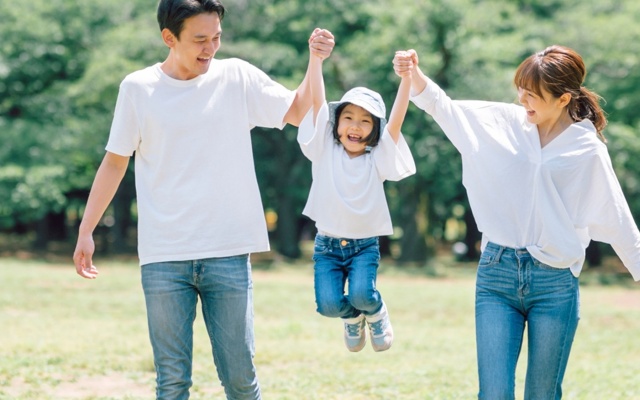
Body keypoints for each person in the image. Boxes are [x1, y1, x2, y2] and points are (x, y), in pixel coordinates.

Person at [72, 0, 334, 398]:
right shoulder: (138, 88)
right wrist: (86, 229)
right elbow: (114, 162)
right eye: (199, 40)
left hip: (227, 251)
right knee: (172, 381)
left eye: (216, 38)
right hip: (164, 255)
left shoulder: (236, 76)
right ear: (168, 37)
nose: (210, 48)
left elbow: (298, 111)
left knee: (241, 381)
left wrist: (314, 62)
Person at [393, 46, 640, 398]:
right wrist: (413, 74)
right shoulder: (503, 121)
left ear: (563, 98)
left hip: (554, 282)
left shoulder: (587, 149)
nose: (522, 100)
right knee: (493, 393)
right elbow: (444, 108)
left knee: (542, 393)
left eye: (532, 95)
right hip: (497, 274)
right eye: (520, 90)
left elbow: (617, 218)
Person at [299, 32, 416, 353]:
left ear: (374, 130)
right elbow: (316, 101)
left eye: (365, 121)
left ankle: (376, 313)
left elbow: (396, 119)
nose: (355, 125)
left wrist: (406, 78)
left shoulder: (376, 158)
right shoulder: (324, 150)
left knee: (364, 294)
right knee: (328, 305)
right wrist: (316, 59)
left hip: (364, 247)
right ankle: (352, 319)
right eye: (348, 117)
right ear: (336, 123)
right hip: (327, 246)